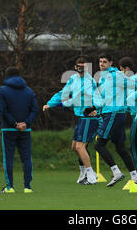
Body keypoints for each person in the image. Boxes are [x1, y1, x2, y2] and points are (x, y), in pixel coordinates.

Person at [43, 57, 100, 185]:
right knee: (75, 146)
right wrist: (50, 104)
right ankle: (83, 172)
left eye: (83, 67)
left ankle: (91, 175)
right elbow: (63, 93)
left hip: (89, 117)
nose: (81, 69)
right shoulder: (73, 79)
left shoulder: (89, 81)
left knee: (80, 146)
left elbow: (91, 98)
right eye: (79, 66)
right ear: (75, 67)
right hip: (81, 117)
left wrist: (96, 108)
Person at [85, 53, 137, 187]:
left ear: (111, 63)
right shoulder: (102, 78)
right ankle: (136, 178)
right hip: (111, 113)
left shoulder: (116, 75)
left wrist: (127, 102)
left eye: (104, 62)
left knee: (99, 144)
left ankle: (116, 172)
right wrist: (93, 107)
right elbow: (102, 98)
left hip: (114, 113)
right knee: (120, 148)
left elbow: (134, 85)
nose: (101, 64)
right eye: (100, 61)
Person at [0, 67, 39, 193]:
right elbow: (34, 110)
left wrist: (14, 123)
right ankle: (27, 186)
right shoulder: (29, 91)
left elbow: (3, 110)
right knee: (26, 158)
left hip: (8, 129)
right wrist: (26, 123)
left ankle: (10, 187)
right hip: (25, 130)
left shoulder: (2, 91)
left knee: (8, 158)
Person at [118, 57, 137, 173]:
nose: (122, 73)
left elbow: (130, 100)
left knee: (134, 146)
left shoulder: (134, 80)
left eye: (122, 70)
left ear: (127, 68)